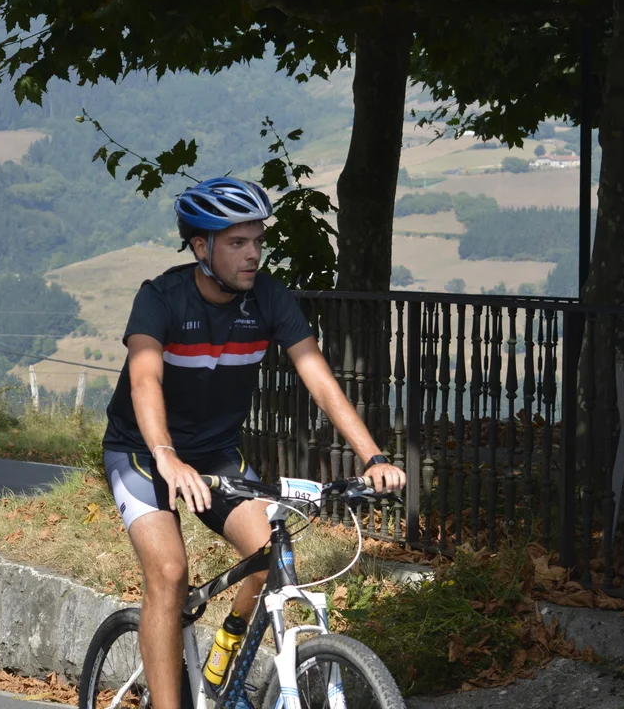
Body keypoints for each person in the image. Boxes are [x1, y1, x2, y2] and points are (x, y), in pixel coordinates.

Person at [101, 177, 406, 709]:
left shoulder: (268, 298)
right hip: (142, 452)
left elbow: (319, 379)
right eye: (237, 242)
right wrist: (167, 458)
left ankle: (223, 661)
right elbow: (144, 379)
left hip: (216, 454)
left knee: (271, 556)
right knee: (170, 573)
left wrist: (373, 456)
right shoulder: (161, 298)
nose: (253, 254)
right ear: (201, 248)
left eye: (258, 241)